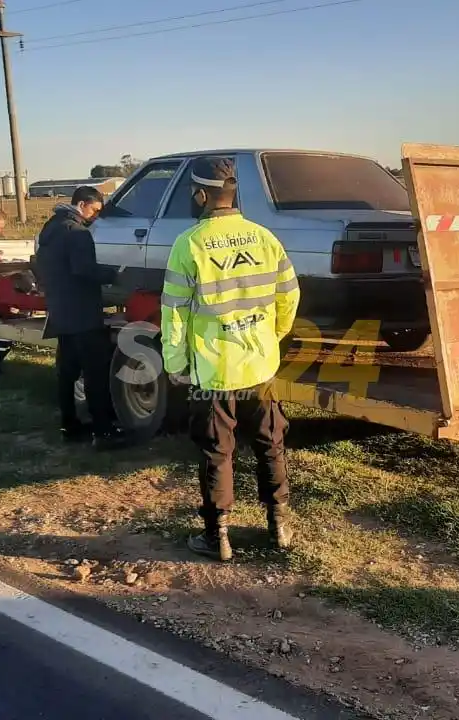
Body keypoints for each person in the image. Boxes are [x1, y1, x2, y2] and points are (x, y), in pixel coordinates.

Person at [160, 157, 301, 562]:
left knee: (216, 452)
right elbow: (289, 295)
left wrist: (175, 364)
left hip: (214, 371)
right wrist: (271, 335)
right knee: (271, 445)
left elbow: (174, 313)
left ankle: (217, 536)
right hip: (259, 368)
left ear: (201, 194)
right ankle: (279, 526)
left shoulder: (189, 243)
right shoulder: (264, 237)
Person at [33, 186, 127, 450]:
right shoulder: (78, 233)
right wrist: (113, 275)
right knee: (95, 372)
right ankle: (103, 432)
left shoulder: (51, 227)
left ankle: (70, 425)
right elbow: (84, 270)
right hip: (83, 314)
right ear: (83, 204)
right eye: (95, 210)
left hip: (61, 311)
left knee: (67, 372)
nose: (96, 216)